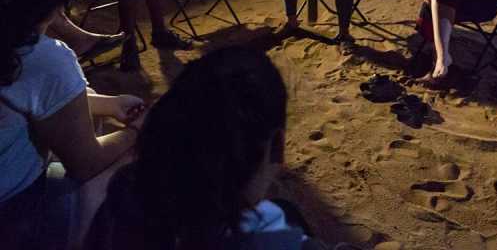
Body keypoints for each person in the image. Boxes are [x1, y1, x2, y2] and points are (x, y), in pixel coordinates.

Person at [85, 45, 358, 250]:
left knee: (286, 209)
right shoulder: (274, 242)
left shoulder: (127, 189)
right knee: (285, 213)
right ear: (276, 148)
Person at [0, 0, 146, 250]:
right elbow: (87, 162)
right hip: (14, 213)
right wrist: (136, 130)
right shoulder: (43, 57)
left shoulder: (10, 44)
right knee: (130, 162)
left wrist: (108, 104)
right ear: (60, 5)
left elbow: (31, 99)